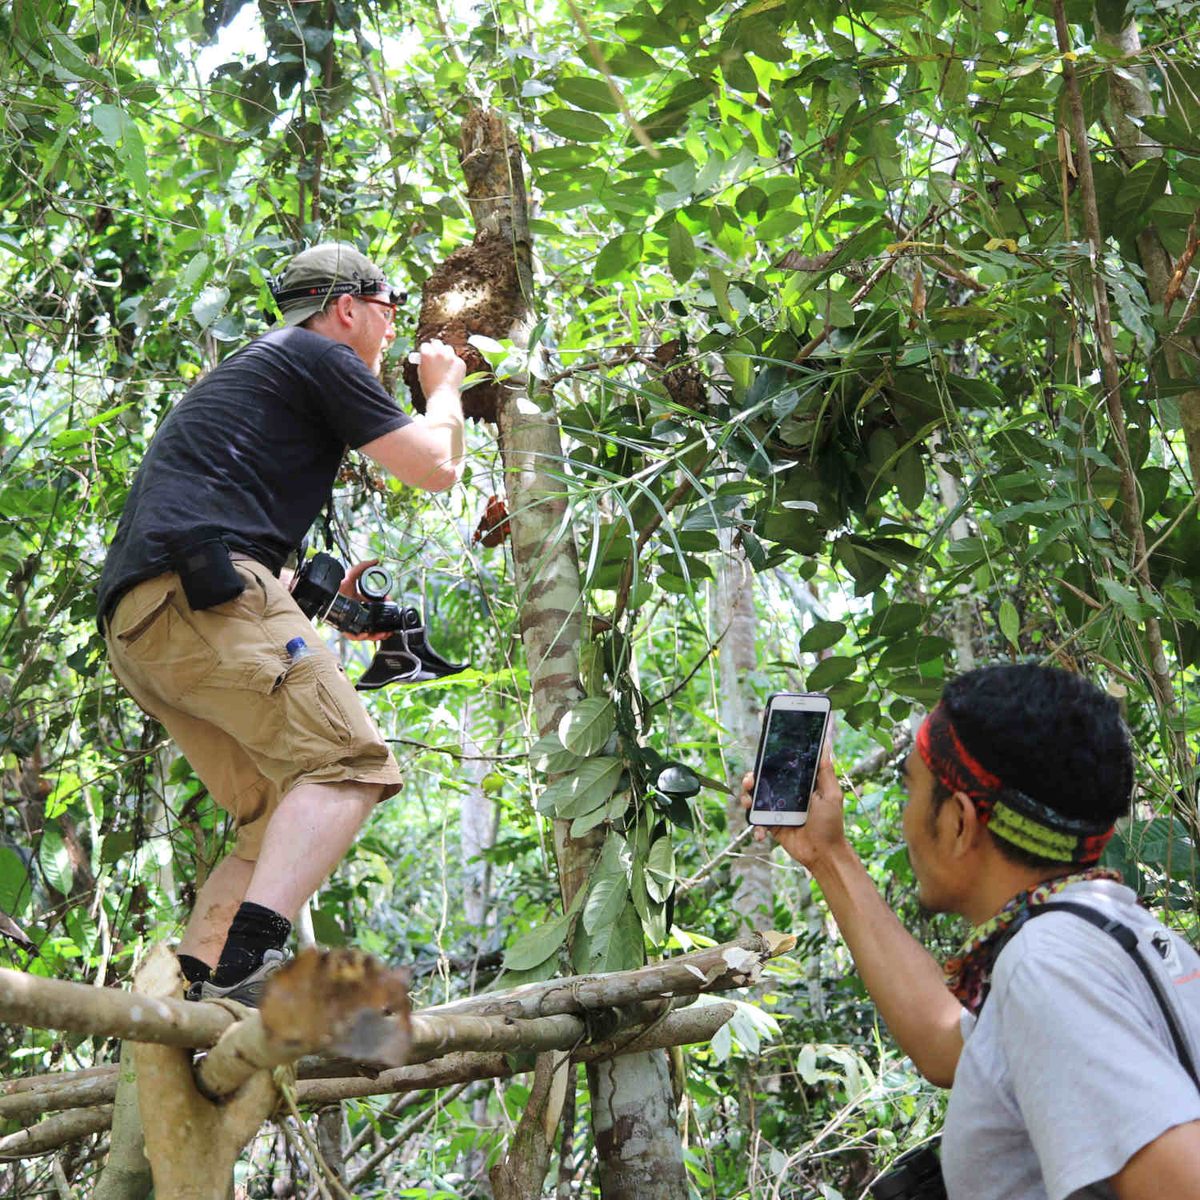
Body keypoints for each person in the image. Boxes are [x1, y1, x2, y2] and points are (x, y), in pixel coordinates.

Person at [98, 242, 466, 1005]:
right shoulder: (316, 355)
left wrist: (324, 601)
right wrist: (447, 387)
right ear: (347, 309)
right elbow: (437, 466)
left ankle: (196, 999)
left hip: (145, 624)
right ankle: (248, 964)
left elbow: (224, 522)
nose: (394, 325)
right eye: (389, 308)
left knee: (271, 811)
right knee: (349, 763)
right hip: (195, 595)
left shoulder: (261, 373)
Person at [742, 663, 1200, 1199]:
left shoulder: (1047, 965)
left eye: (911, 789)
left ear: (958, 821)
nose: (905, 819)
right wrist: (828, 854)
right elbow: (945, 1043)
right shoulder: (1118, 930)